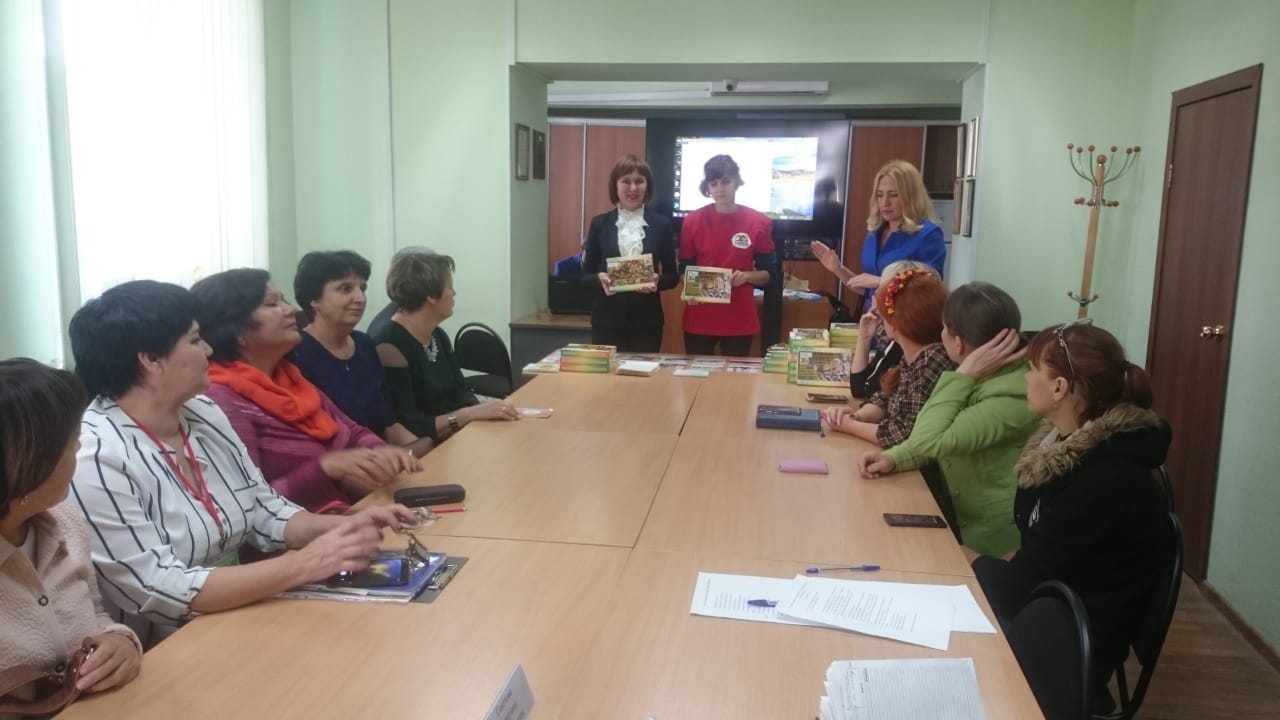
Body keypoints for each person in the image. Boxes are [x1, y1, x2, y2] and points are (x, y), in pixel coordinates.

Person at [67, 280, 415, 647]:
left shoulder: (202, 411)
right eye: (195, 340)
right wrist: (303, 564)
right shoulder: (97, 457)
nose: (209, 349)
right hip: (161, 649)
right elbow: (159, 587)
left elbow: (264, 510)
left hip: (232, 619)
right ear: (151, 360)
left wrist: (343, 528)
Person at [970, 320, 1171, 691]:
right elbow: (1036, 552)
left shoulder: (1103, 480)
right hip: (1054, 605)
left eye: (1032, 369)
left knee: (968, 599)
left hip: (1072, 638)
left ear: (1059, 387)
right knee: (978, 574)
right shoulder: (1066, 448)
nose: (1025, 378)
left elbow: (1025, 580)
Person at [192, 269, 421, 514]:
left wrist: (380, 451)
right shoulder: (222, 400)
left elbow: (352, 430)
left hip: (348, 515)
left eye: (283, 300)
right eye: (272, 303)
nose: (290, 310)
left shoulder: (288, 377)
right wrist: (324, 469)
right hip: (307, 531)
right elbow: (251, 508)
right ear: (235, 330)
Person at [859, 283, 1041, 556]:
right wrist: (894, 458)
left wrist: (963, 373)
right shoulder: (989, 376)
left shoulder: (1010, 394)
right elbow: (937, 435)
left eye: (944, 328)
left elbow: (929, 439)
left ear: (958, 343)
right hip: (961, 519)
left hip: (992, 544)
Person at [0, 360, 142, 703]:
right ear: (29, 464)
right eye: (73, 444)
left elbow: (96, 614)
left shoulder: (61, 518)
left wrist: (120, 641)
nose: (80, 451)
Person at [292, 250, 430, 453]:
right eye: (345, 289)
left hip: (384, 457)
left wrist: (426, 455)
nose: (360, 298)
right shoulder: (296, 354)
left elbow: (389, 425)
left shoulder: (364, 344)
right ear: (314, 299)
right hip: (342, 464)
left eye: (362, 288)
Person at [373, 252, 520, 442]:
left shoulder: (438, 335)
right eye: (450, 287)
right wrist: (468, 415)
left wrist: (485, 411)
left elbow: (460, 391)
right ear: (430, 295)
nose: (454, 293)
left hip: (456, 434)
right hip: (428, 445)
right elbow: (409, 424)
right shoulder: (389, 345)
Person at [821, 268, 954, 446]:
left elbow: (904, 435)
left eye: (883, 314)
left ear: (896, 323)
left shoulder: (932, 359)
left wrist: (847, 425)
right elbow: (884, 399)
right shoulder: (913, 355)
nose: (877, 315)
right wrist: (856, 416)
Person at [810, 159, 945, 312]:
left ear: (911, 197)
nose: (885, 202)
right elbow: (867, 289)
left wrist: (881, 281)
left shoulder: (928, 234)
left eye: (893, 195)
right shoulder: (875, 233)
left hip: (906, 320)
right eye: (880, 195)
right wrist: (838, 269)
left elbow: (930, 288)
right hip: (875, 318)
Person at [679, 154, 778, 357]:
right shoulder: (692, 221)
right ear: (707, 187)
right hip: (700, 316)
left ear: (736, 182)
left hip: (738, 317)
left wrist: (747, 276)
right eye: (714, 183)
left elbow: (769, 274)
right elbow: (684, 271)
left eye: (725, 182)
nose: (720, 189)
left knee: (735, 376)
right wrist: (689, 290)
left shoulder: (759, 222)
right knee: (696, 375)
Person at [580, 154, 678, 352]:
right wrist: (600, 279)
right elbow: (584, 276)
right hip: (606, 321)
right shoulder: (599, 223)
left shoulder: (662, 224)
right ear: (615, 186)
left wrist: (657, 281)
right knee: (608, 373)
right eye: (626, 181)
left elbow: (672, 277)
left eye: (639, 181)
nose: (633, 188)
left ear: (647, 186)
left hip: (647, 322)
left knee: (645, 372)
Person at [847, 260, 937, 399]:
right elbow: (860, 388)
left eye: (880, 294)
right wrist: (864, 338)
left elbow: (867, 392)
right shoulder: (894, 342)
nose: (874, 300)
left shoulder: (909, 348)